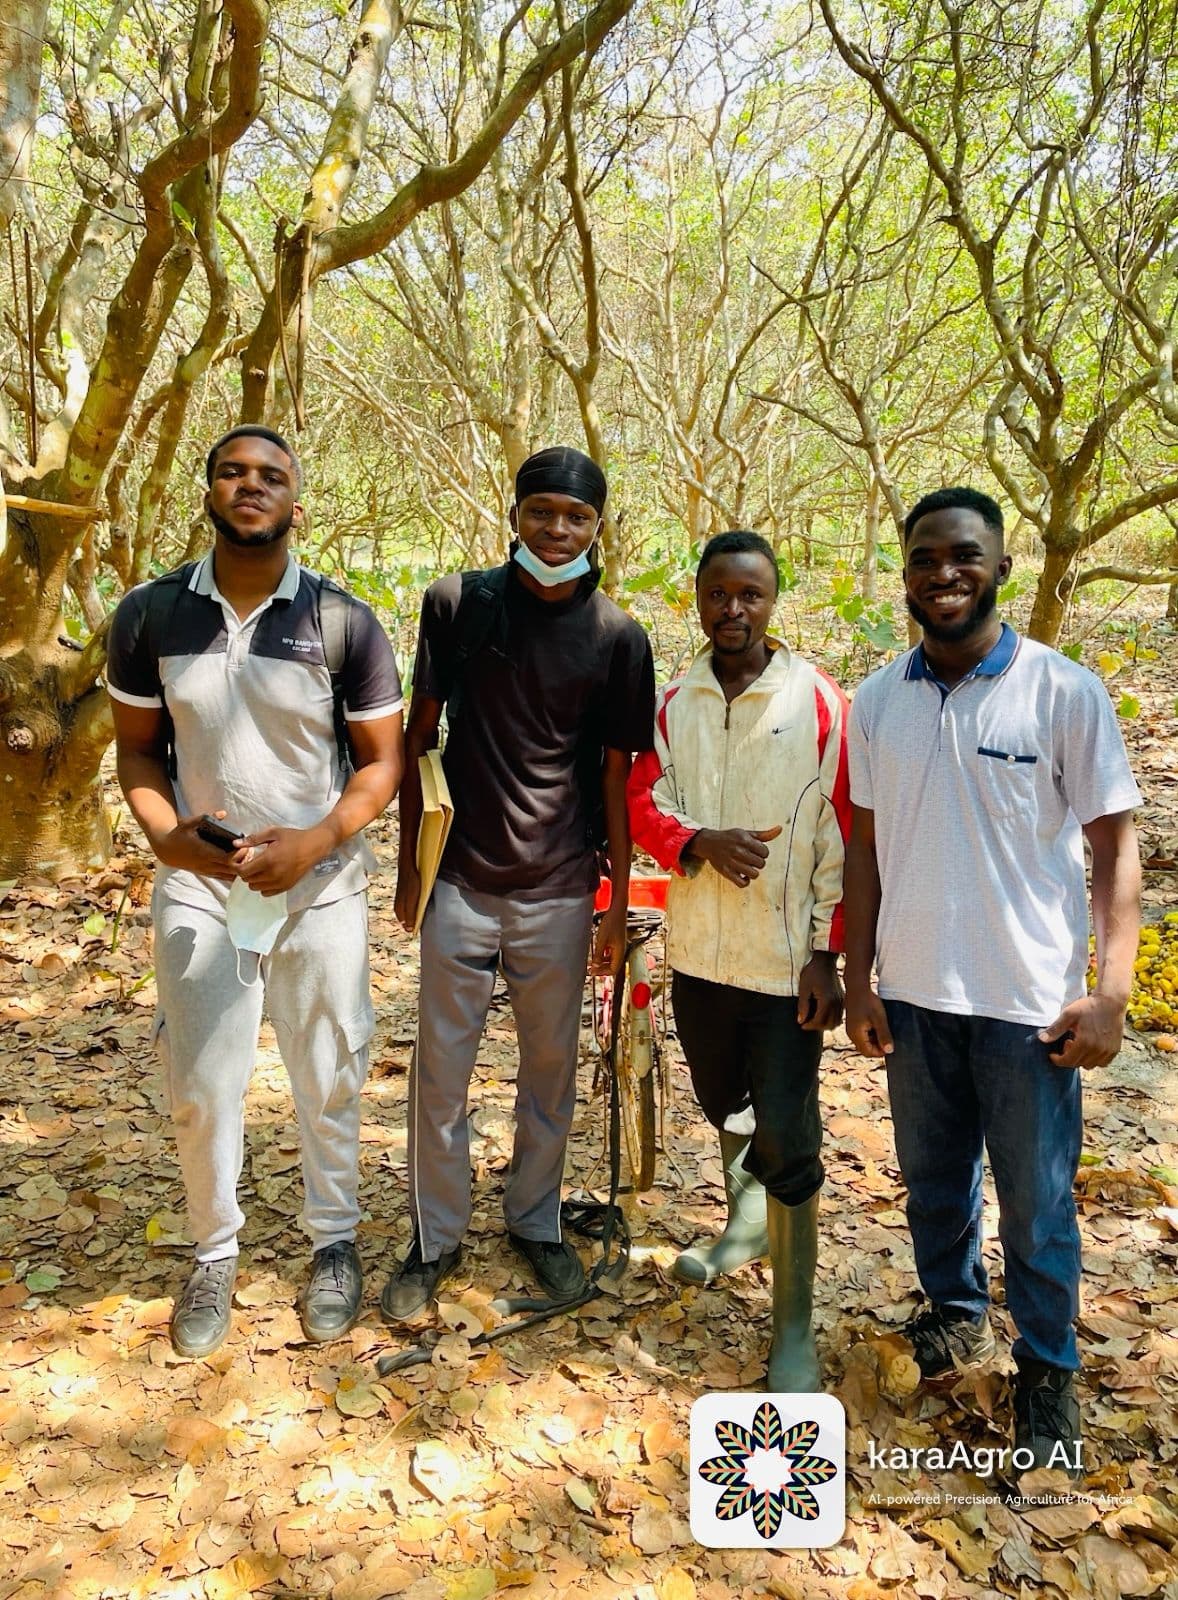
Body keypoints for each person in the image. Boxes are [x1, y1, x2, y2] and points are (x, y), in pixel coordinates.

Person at [844, 485, 1141, 1472]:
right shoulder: (877, 700)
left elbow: (1114, 849)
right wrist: (859, 977)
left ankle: (1047, 1375)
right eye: (924, 558)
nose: (943, 574)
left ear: (1000, 567)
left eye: (963, 555)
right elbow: (863, 846)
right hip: (914, 996)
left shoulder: (1063, 691)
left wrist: (1109, 992)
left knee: (1036, 1207)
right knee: (934, 1186)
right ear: (905, 573)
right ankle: (955, 1312)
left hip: (1027, 1006)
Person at [107, 426, 404, 1358]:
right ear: (208, 493)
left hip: (319, 887)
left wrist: (317, 839)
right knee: (202, 1081)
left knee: (330, 1072)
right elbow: (137, 750)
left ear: (295, 504)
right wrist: (165, 836)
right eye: (232, 472)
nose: (250, 485)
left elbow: (382, 763)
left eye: (271, 475)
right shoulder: (151, 615)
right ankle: (214, 1253)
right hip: (201, 887)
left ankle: (333, 1244)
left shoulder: (343, 622)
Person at [385, 446, 656, 1318]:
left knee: (549, 1074)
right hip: (461, 881)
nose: (557, 529)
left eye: (576, 517)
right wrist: (410, 867)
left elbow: (615, 777)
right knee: (440, 1076)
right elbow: (419, 737)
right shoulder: (459, 603)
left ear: (598, 527)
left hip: (561, 889)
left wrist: (614, 904)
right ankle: (436, 1238)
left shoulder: (618, 637)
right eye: (541, 511)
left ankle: (535, 1222)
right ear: (514, 515)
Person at [627, 530, 849, 1391]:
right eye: (718, 594)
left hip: (785, 964)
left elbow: (839, 832)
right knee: (724, 1099)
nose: (733, 610)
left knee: (787, 1131)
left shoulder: (817, 702)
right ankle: (744, 1224)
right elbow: (641, 801)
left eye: (750, 594)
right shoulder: (672, 703)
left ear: (773, 601)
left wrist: (827, 953)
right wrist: (696, 842)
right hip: (699, 956)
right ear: (698, 598)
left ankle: (792, 1327)